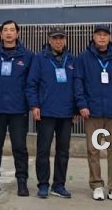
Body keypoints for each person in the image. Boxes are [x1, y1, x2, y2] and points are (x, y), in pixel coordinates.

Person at [74, 24, 112, 203]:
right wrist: (82, 104)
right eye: (99, 34)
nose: (102, 37)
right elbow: (78, 82)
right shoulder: (84, 57)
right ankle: (97, 185)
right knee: (93, 150)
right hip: (92, 112)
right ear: (93, 37)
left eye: (105, 35)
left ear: (110, 38)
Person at [0, 20, 35, 197]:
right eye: (5, 30)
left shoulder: (27, 56)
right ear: (1, 34)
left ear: (17, 33)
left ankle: (22, 182)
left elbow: (31, 80)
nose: (9, 33)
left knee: (19, 147)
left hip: (18, 109)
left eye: (12, 30)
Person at [26, 26, 76, 199]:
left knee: (63, 151)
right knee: (43, 150)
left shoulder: (72, 60)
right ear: (49, 40)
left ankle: (59, 185)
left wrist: (76, 108)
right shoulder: (40, 58)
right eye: (55, 38)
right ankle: (43, 184)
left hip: (66, 113)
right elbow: (31, 84)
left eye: (61, 38)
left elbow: (77, 85)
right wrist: (34, 105)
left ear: (65, 40)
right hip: (46, 112)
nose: (58, 41)